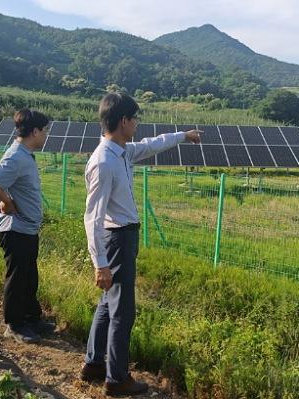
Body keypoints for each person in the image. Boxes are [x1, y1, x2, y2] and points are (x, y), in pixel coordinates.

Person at [80, 93, 202, 396]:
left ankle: (94, 364)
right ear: (124, 121)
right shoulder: (105, 162)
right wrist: (101, 264)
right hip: (117, 239)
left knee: (108, 305)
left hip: (122, 237)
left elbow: (151, 144)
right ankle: (117, 379)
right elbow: (92, 218)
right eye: (135, 120)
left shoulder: (121, 151)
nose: (137, 125)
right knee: (123, 310)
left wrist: (183, 136)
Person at [0, 109, 55, 344]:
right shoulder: (16, 157)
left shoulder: (25, 154)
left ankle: (31, 318)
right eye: (44, 131)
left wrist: (8, 198)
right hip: (15, 228)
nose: (46, 135)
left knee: (29, 275)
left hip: (26, 227)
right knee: (18, 276)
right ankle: (14, 323)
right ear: (34, 131)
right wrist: (6, 200)